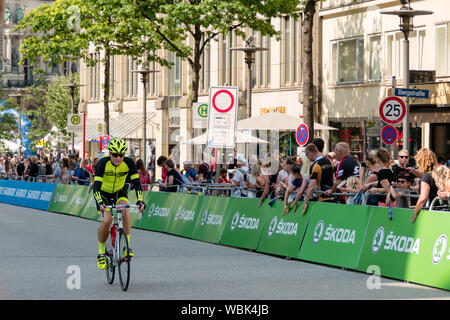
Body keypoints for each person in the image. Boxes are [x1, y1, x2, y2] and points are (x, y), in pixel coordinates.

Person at [93, 138, 146, 270]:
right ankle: (101, 252)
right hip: (103, 194)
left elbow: (137, 183)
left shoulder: (128, 162)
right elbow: (96, 186)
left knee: (125, 211)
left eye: (121, 155)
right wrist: (100, 202)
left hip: (119, 192)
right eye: (115, 155)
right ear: (109, 154)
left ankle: (125, 246)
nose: (118, 158)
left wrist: (140, 200)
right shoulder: (103, 163)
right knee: (107, 220)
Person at [300, 143, 334, 215]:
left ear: (311, 153)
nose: (307, 158)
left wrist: (305, 203)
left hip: (322, 199)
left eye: (307, 155)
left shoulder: (315, 165)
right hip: (332, 196)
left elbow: (311, 187)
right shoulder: (330, 162)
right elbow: (334, 179)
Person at [412, 148, 438, 223]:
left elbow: (423, 198)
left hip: (433, 211)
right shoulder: (439, 173)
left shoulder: (427, 176)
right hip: (444, 209)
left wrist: (415, 213)